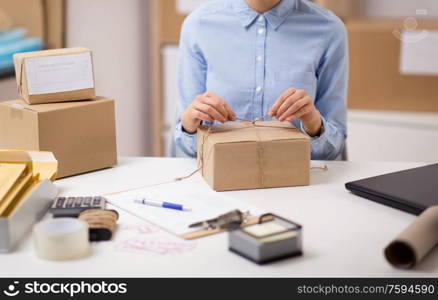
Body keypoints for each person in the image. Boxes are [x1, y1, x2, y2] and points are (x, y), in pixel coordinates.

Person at [174, 0, 348, 160]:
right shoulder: (198, 25)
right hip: (219, 179)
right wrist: (190, 124)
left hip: (297, 185)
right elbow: (185, 142)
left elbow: (334, 146)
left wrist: (313, 123)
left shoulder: (328, 29)